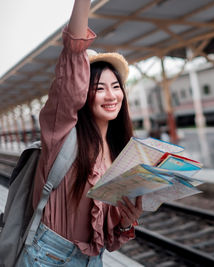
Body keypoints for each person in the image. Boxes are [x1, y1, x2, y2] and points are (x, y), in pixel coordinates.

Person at [17, 0, 143, 266]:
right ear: (82, 94)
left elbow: (107, 239)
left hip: (92, 260)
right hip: (47, 258)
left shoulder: (121, 152)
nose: (111, 96)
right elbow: (73, 60)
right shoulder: (61, 133)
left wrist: (126, 222)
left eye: (116, 86)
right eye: (99, 88)